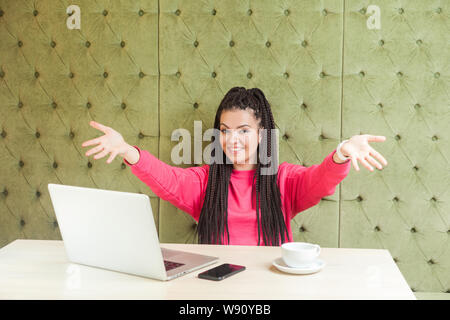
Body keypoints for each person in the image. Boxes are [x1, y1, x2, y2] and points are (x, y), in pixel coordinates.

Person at [81, 87, 388, 246]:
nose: (232, 140)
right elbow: (168, 179)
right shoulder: (206, 181)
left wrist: (341, 154)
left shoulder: (283, 180)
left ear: (262, 134)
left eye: (243, 131)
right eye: (225, 131)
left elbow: (318, 180)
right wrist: (128, 152)